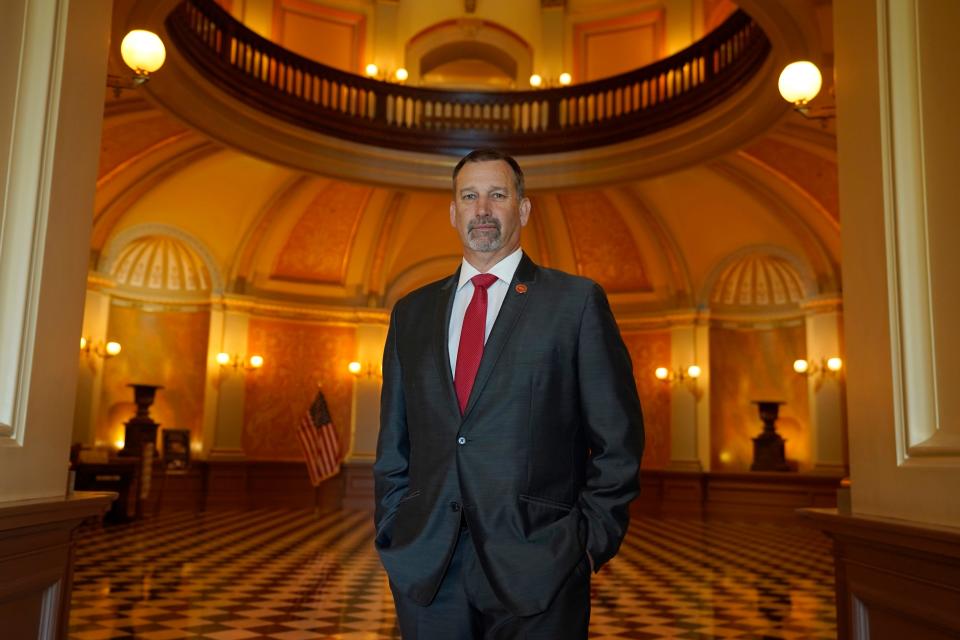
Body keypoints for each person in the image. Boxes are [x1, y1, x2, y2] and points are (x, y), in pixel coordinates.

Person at [374, 149, 644, 639]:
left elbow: (618, 440)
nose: (482, 209)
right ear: (453, 213)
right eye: (469, 196)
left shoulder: (575, 303)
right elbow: (394, 441)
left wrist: (587, 544)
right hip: (427, 566)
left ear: (521, 209)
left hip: (541, 563)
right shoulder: (410, 313)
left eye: (497, 195)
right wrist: (394, 526)